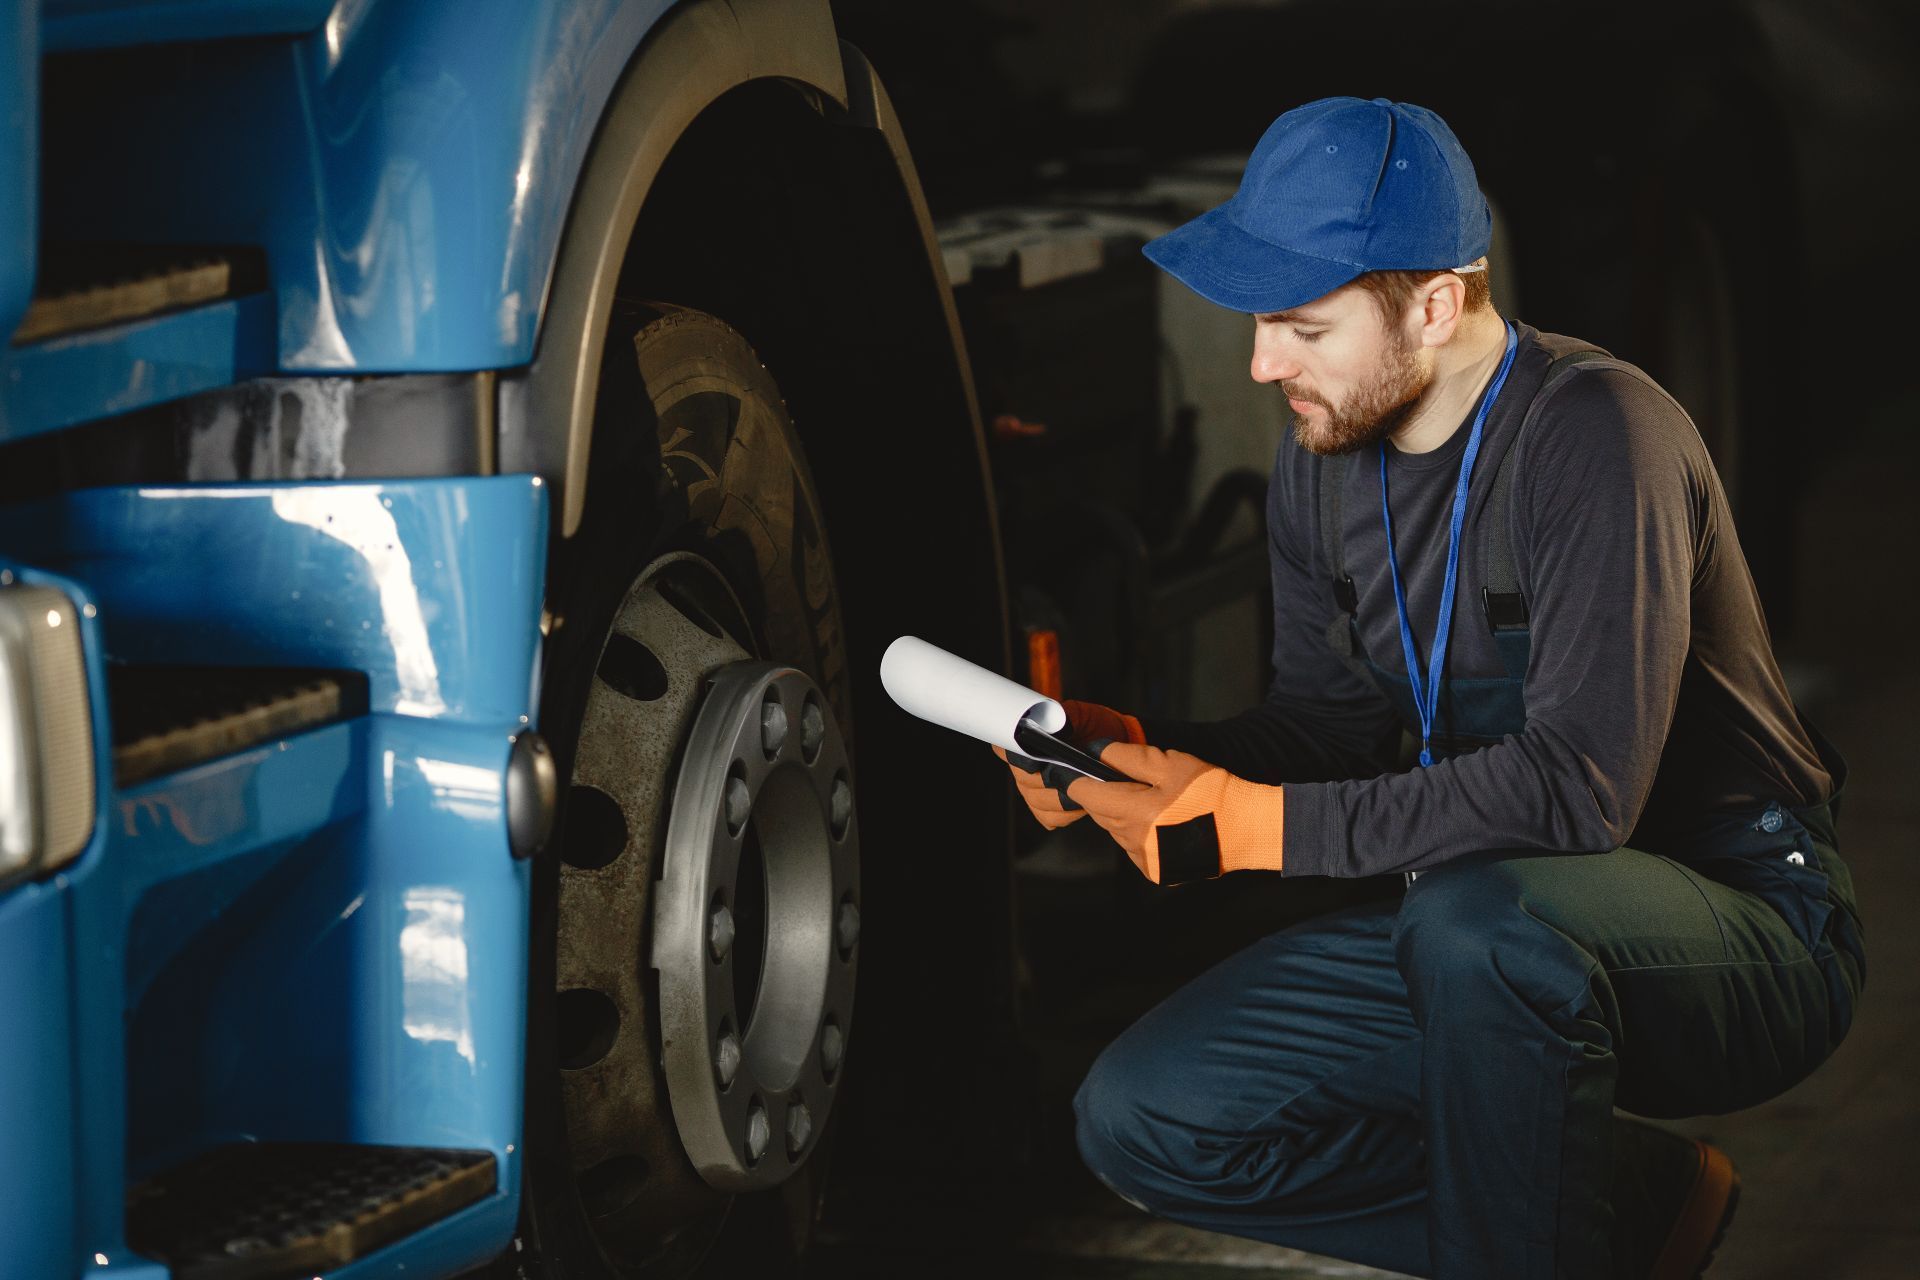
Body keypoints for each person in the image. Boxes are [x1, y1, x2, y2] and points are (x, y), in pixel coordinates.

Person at [996, 96, 1864, 1279]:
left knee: (1474, 922)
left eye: (1303, 326)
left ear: (1439, 300)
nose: (1262, 363)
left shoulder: (1601, 437)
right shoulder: (1320, 461)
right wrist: (1142, 753)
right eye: (1260, 322)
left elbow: (1582, 789)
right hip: (1488, 933)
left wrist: (1261, 830)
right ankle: (1622, 1201)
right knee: (1148, 1110)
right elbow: (1327, 724)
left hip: (1742, 924)